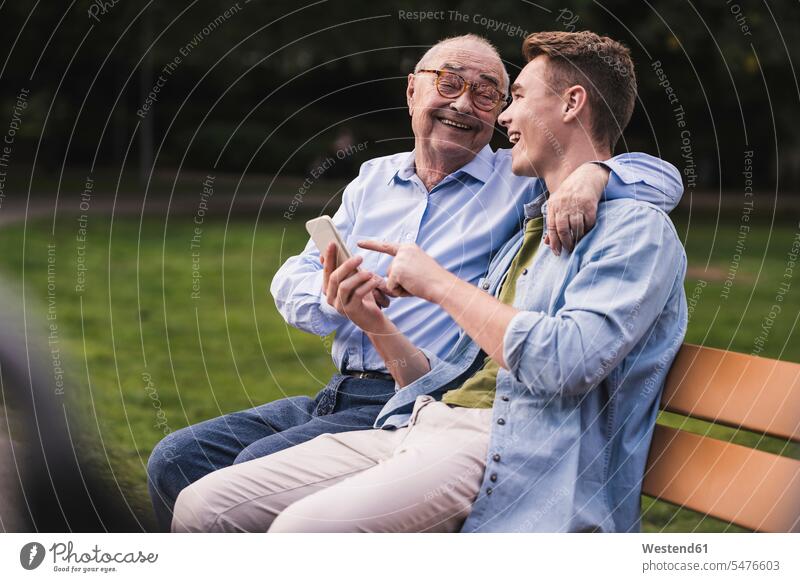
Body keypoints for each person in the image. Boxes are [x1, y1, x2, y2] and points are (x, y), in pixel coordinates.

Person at [159, 32, 684, 532]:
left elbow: (650, 179)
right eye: (450, 83)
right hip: (415, 403)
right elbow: (302, 277)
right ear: (413, 90)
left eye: (502, 94)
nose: (493, 113)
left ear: (569, 104)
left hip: (463, 425)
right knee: (193, 489)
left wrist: (599, 175)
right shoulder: (384, 181)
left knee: (290, 518)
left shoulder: (520, 188)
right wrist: (353, 308)